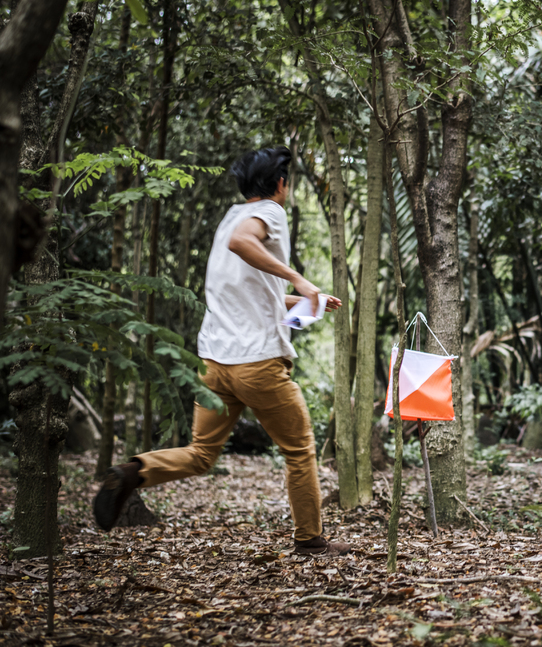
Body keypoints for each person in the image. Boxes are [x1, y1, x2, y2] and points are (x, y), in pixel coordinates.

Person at [93, 147, 350, 556]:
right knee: (299, 450)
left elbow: (249, 292)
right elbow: (242, 242)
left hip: (215, 363)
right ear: (280, 184)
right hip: (258, 364)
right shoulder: (268, 214)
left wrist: (304, 301)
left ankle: (133, 471)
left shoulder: (228, 218)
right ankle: (310, 540)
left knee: (200, 454)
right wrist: (300, 281)